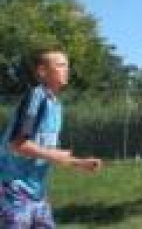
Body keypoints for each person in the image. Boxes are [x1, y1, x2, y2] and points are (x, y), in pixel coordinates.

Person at [0, 49, 103, 228]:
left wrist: (80, 163)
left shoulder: (56, 106)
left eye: (67, 66)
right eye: (60, 65)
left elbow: (49, 152)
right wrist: (55, 156)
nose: (66, 70)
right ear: (42, 71)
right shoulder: (36, 97)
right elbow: (17, 144)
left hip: (37, 193)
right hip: (13, 191)